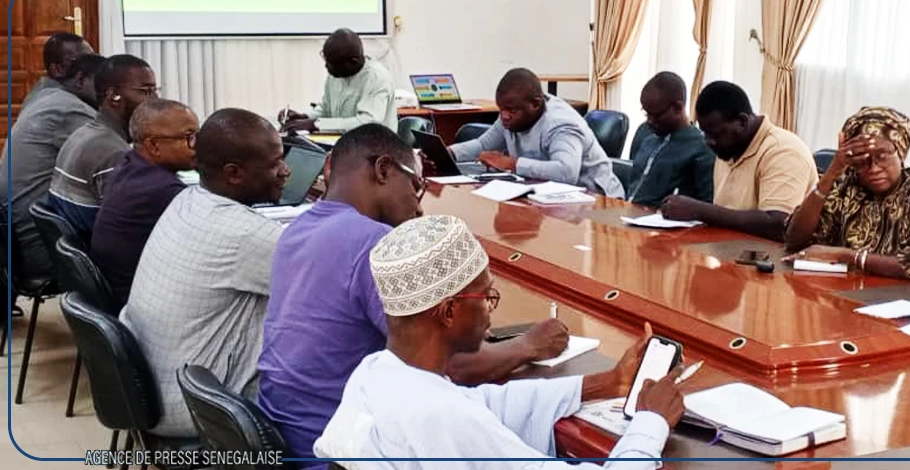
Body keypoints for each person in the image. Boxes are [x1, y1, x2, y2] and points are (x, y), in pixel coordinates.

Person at [257, 124, 569, 466]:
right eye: (416, 186)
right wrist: (528, 346)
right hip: (334, 439)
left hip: (284, 429)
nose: (419, 208)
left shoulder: (298, 227)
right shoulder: (375, 245)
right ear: (383, 170)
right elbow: (452, 369)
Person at [313, 215, 686, 469]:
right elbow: (463, 416)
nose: (492, 310)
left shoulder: (375, 372)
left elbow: (483, 402)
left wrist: (607, 383)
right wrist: (651, 422)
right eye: (487, 297)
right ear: (449, 311)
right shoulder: (446, 421)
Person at [120, 108, 291, 437]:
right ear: (234, 174)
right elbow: (335, 288)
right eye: (275, 164)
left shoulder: (186, 199)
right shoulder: (248, 235)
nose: (286, 171)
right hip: (197, 408)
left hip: (147, 391)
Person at [782, 107, 910, 280]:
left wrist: (848, 257)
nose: (873, 168)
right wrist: (832, 173)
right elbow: (795, 240)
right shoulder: (848, 184)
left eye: (882, 156)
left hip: (902, 294)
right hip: (845, 288)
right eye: (862, 160)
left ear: (900, 153)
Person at [660, 81, 818, 241]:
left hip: (774, 254)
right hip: (729, 249)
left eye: (715, 134)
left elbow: (779, 225)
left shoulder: (783, 151)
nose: (709, 142)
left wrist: (699, 210)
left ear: (742, 122)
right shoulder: (728, 148)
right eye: (705, 134)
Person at [1, 53, 106, 288]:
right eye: (104, 87)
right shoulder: (69, 110)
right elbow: (114, 155)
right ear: (80, 80)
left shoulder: (45, 96)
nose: (109, 95)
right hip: (42, 252)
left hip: (16, 246)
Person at [447, 68, 624, 197]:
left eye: (511, 111)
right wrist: (449, 153)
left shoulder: (561, 124)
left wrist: (513, 164)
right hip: (550, 197)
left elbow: (566, 172)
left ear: (536, 104)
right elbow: (484, 145)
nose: (504, 116)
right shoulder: (512, 113)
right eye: (501, 109)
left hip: (598, 202)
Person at [90, 99, 197, 308]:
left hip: (119, 289)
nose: (197, 145)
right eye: (189, 137)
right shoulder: (163, 190)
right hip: (138, 302)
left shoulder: (129, 163)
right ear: (154, 145)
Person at [48, 54, 158, 238]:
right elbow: (128, 226)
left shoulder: (83, 133)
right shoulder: (113, 153)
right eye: (146, 91)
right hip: (98, 248)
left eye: (155, 90)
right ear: (113, 96)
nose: (155, 99)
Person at [279, 28, 397, 133]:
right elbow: (327, 109)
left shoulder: (377, 78)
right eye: (326, 61)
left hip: (375, 146)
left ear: (353, 62)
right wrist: (305, 117)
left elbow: (368, 123)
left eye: (332, 64)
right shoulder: (337, 74)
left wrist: (315, 124)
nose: (326, 66)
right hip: (341, 143)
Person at [626, 72, 714, 208]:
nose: (650, 121)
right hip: (625, 212)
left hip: (662, 219)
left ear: (678, 108)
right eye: (647, 113)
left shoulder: (702, 148)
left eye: (656, 115)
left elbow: (707, 205)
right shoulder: (647, 139)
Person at [22, 32, 94, 107]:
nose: (93, 65)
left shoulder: (45, 87)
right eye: (85, 61)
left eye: (94, 58)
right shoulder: (63, 104)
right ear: (57, 69)